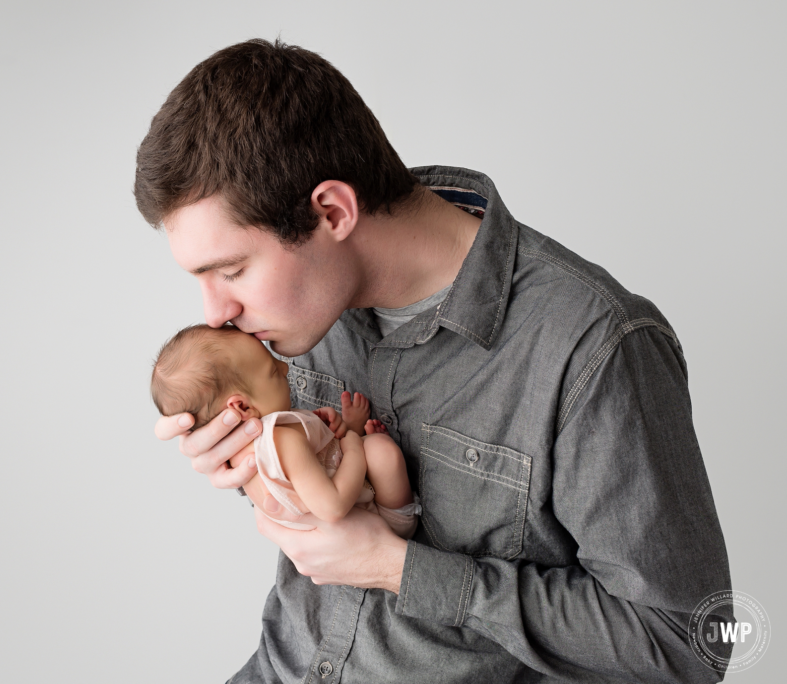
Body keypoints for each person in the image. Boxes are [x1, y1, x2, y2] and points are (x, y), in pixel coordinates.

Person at [138, 39, 733, 683]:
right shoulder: (298, 319)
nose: (215, 313)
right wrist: (247, 460)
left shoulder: (593, 347)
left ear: (332, 211)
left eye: (230, 270)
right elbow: (314, 505)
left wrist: (398, 568)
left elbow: (689, 642)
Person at [150, 323, 421, 537]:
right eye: (271, 370)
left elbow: (310, 470)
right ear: (242, 406)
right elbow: (333, 506)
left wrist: (332, 428)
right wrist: (353, 441)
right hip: (376, 526)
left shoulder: (242, 453)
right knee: (380, 450)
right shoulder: (283, 441)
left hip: (340, 527)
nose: (283, 367)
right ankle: (403, 515)